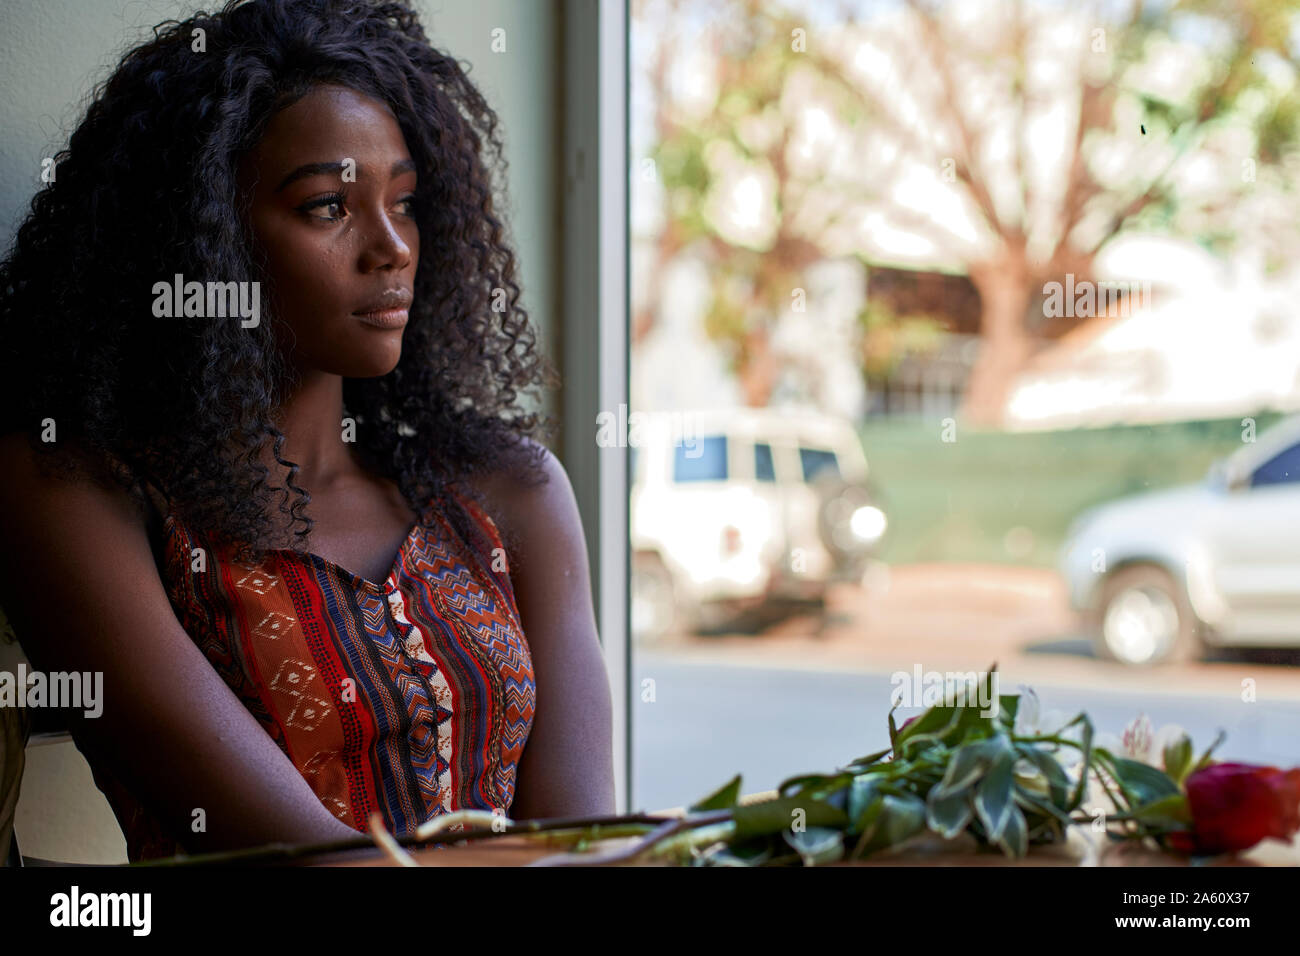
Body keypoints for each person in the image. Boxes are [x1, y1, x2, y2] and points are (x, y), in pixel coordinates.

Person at [0, 0, 615, 862]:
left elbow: (583, 845)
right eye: (329, 205)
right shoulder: (78, 491)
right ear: (201, 238)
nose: (392, 246)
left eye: (406, 200)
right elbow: (312, 862)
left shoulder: (511, 491)